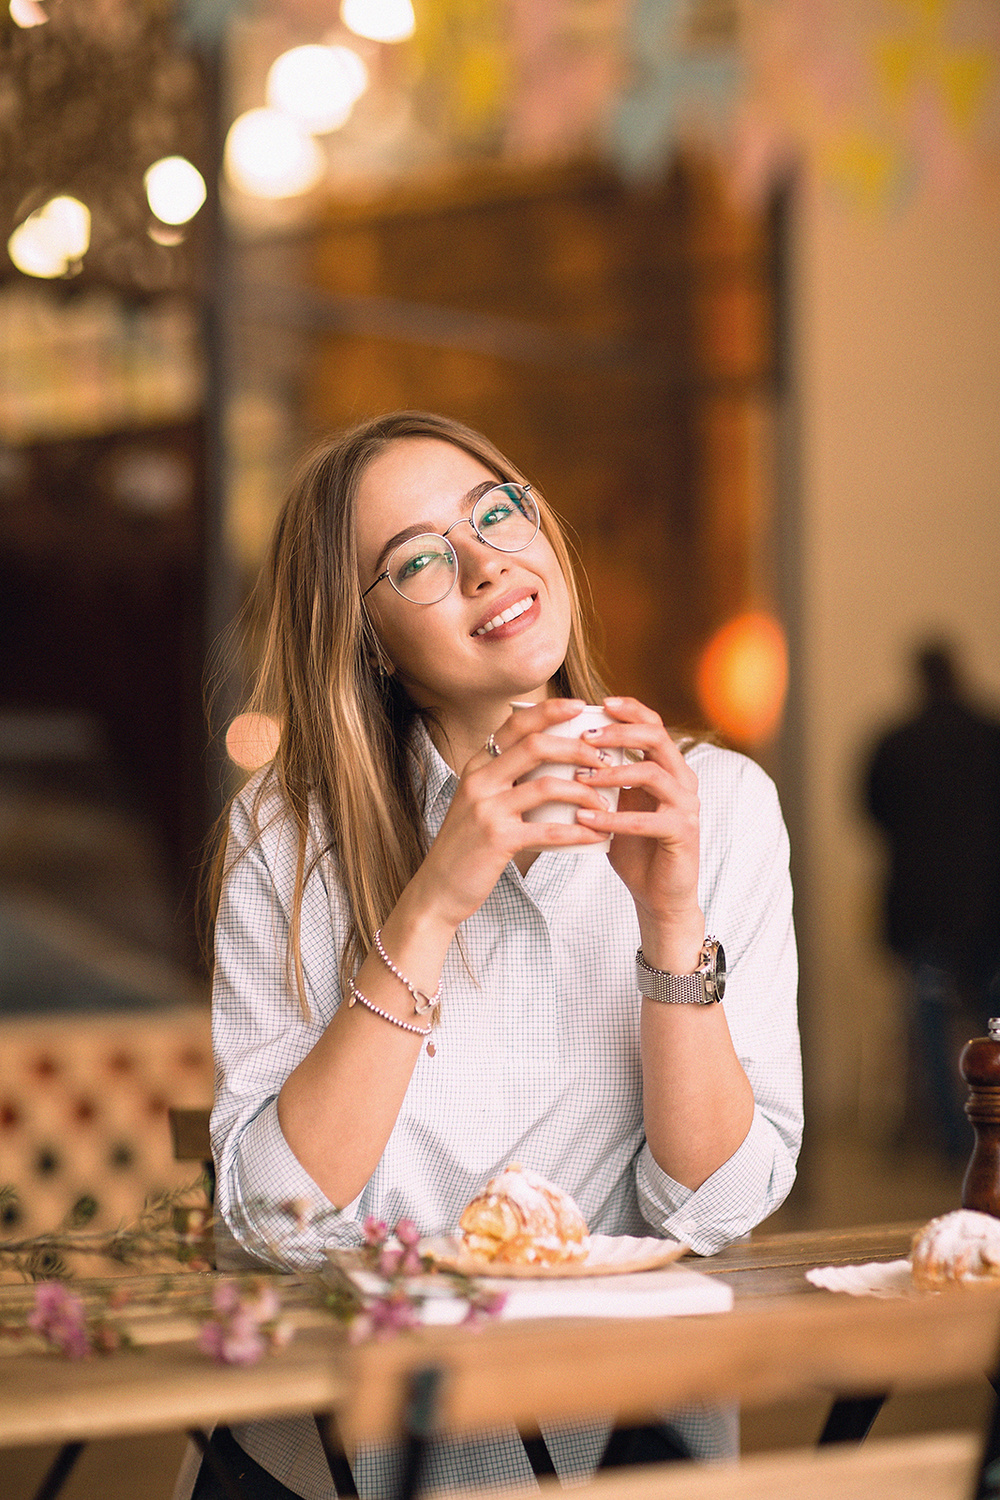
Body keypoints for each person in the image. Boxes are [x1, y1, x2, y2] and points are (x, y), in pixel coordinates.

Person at [191, 412, 802, 1500]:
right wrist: (432, 902)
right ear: (369, 638)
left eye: (495, 512)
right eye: (418, 560)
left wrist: (668, 922)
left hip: (615, 1448)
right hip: (341, 1459)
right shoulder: (286, 836)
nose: (484, 564)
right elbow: (270, 1221)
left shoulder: (721, 807)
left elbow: (714, 1209)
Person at [863, 640, 1000, 1160]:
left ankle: (951, 1138)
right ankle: (994, 1133)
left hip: (923, 914)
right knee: (994, 1023)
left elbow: (872, 812)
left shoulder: (896, 742)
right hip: (990, 908)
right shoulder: (991, 736)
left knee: (931, 1022)